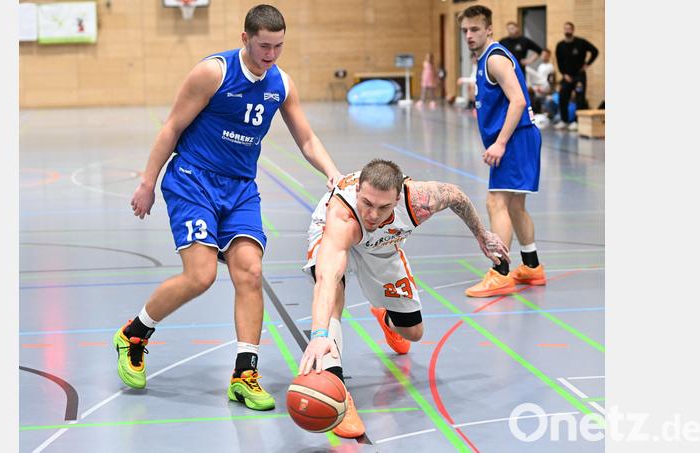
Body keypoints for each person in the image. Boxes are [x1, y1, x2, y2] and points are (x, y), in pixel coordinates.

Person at [113, 4, 343, 412]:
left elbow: (306, 139)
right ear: (245, 39)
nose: (271, 55)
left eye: (278, 46)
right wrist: (148, 183)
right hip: (193, 180)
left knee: (250, 272)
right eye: (264, 46)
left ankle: (244, 375)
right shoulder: (213, 73)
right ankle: (134, 333)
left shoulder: (281, 84)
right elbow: (172, 127)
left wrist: (332, 172)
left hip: (240, 189)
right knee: (200, 275)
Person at [296, 159, 510, 438]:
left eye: (383, 207)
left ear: (397, 199)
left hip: (382, 245)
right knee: (334, 291)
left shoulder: (418, 200)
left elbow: (457, 196)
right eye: (367, 203)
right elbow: (327, 279)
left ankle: (386, 317)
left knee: (414, 332)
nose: (372, 214)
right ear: (358, 190)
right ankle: (337, 391)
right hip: (334, 235)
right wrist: (319, 334)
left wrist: (481, 234)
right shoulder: (343, 216)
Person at [458, 5, 546, 298]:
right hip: (520, 138)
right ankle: (531, 266)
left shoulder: (495, 59)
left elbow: (518, 101)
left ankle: (501, 272)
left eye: (474, 29)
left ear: (489, 29)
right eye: (465, 30)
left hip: (516, 139)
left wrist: (501, 142)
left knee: (496, 202)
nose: (469, 35)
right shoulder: (485, 59)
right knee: (515, 205)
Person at [554, 21, 598, 130]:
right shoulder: (560, 45)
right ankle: (564, 121)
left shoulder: (581, 42)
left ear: (573, 30)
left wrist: (587, 64)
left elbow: (595, 51)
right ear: (564, 30)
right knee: (562, 97)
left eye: (569, 28)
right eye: (566, 28)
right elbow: (559, 62)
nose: (567, 30)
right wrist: (564, 74)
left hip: (579, 76)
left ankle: (577, 122)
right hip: (566, 77)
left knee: (580, 99)